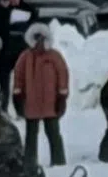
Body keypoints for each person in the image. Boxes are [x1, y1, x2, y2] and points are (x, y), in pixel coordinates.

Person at [9, 24, 69, 169]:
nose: (39, 42)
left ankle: (59, 162)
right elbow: (18, 77)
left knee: (53, 133)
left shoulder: (55, 56)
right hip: (31, 104)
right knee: (31, 135)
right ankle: (30, 163)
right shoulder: (25, 57)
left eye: (42, 38)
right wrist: (17, 96)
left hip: (51, 104)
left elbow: (63, 76)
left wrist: (62, 97)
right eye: (37, 38)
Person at [0, 0, 35, 107]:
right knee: (4, 83)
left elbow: (34, 24)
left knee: (22, 82)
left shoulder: (28, 9)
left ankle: (22, 107)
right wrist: (2, 9)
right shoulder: (3, 10)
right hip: (5, 52)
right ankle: (4, 107)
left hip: (21, 51)